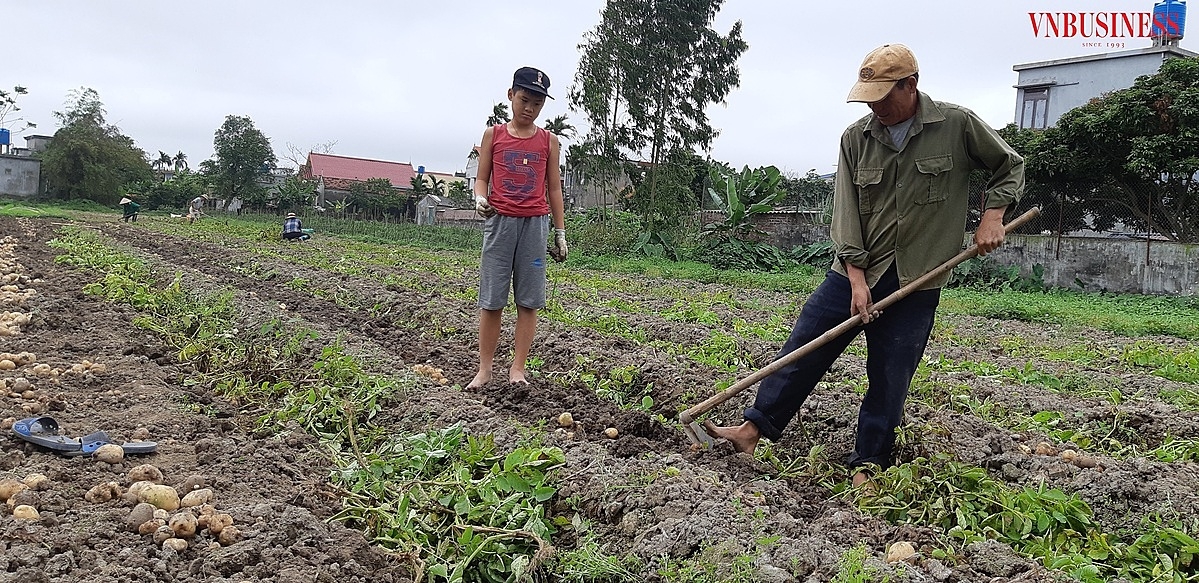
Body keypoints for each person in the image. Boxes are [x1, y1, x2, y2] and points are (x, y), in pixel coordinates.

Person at [710, 44, 1025, 488]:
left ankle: (868, 464)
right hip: (854, 272)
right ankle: (751, 430)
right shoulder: (855, 139)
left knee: (890, 373)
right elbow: (847, 215)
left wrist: (993, 215)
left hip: (919, 277)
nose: (875, 107)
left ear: (910, 85)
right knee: (805, 348)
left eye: (882, 96)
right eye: (869, 98)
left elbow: (1009, 165)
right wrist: (857, 280)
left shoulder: (956, 125)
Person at [466, 66, 567, 389]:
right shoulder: (492, 135)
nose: (529, 109)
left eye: (537, 104)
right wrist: (480, 198)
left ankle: (517, 369)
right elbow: (482, 179)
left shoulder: (549, 142)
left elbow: (554, 189)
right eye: (524, 100)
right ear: (511, 95)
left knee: (528, 301)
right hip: (499, 224)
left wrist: (560, 232)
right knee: (492, 299)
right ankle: (484, 370)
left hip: (535, 227)